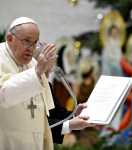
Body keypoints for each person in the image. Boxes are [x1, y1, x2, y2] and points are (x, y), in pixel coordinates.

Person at [0, 17, 94, 150]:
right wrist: (37, 72)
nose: (31, 49)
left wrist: (74, 117)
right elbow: (3, 95)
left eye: (35, 43)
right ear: (10, 39)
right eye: (26, 41)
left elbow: (43, 118)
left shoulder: (32, 64)